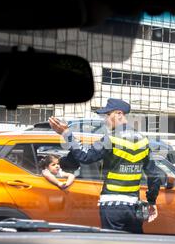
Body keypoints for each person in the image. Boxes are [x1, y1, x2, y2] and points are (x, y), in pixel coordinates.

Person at [49, 98, 164, 233]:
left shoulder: (111, 139)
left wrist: (66, 133)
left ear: (119, 114)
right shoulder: (143, 141)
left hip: (112, 206)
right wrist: (151, 201)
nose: (105, 120)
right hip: (134, 207)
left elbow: (85, 156)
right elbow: (155, 176)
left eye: (107, 115)